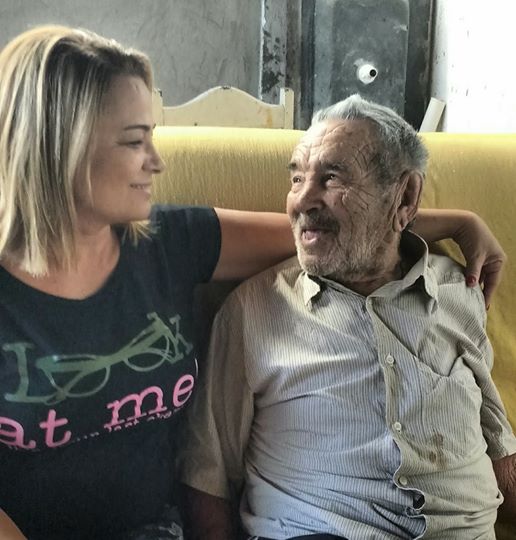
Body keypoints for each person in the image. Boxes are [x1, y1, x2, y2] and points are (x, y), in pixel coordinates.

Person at [0, 25, 506, 540]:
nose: (157, 160)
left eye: (152, 135)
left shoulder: (169, 240)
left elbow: (323, 231)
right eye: (134, 140)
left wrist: (454, 221)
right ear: (57, 146)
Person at [180, 95, 516, 540]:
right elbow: (207, 478)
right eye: (297, 178)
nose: (302, 200)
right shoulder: (253, 310)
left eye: (332, 177)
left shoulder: (461, 289)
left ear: (406, 196)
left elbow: (500, 453)